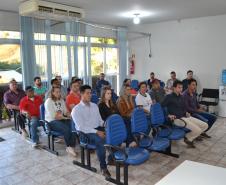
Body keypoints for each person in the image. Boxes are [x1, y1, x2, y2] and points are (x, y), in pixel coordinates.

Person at [71, 85, 111, 178]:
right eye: (87, 93)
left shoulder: (94, 106)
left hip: (96, 129)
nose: (90, 95)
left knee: (112, 133)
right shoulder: (76, 110)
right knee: (100, 140)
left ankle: (111, 157)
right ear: (81, 94)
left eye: (90, 93)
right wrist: (97, 132)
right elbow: (81, 127)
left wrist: (106, 125)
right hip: (84, 133)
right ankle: (103, 167)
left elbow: (100, 121)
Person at [162, 80, 208, 148]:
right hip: (177, 119)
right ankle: (189, 138)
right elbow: (161, 107)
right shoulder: (169, 97)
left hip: (185, 117)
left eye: (181, 87)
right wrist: (168, 115)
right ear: (174, 88)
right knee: (198, 130)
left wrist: (186, 112)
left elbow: (184, 107)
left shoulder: (181, 96)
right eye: (179, 87)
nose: (181, 89)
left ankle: (188, 137)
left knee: (205, 125)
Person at [45, 86, 76, 157]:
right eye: (57, 92)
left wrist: (70, 115)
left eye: (59, 92)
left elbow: (65, 111)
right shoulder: (48, 101)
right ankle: (68, 146)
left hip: (62, 119)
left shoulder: (61, 100)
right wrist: (65, 118)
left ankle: (72, 146)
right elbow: (54, 116)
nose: (59, 93)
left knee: (73, 125)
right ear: (52, 93)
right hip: (51, 121)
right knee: (66, 128)